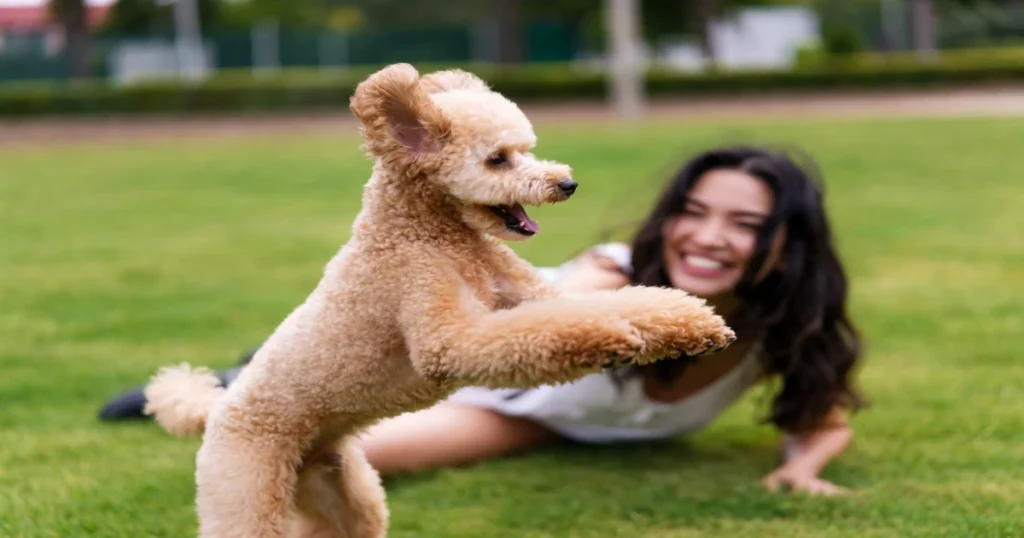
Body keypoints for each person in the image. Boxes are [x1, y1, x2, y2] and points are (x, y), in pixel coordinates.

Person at [98, 145, 864, 496]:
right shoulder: (615, 273)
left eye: (743, 223)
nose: (706, 236)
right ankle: (228, 381)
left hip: (540, 419)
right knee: (287, 431)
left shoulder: (776, 336)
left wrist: (801, 470)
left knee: (350, 458)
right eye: (693, 212)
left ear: (788, 246)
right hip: (455, 361)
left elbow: (823, 417)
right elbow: (564, 312)